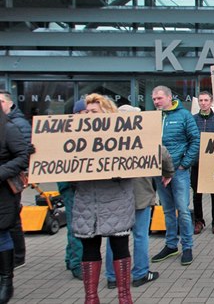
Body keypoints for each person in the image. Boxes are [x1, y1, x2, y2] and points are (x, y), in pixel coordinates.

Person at [104, 105, 175, 289]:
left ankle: (113, 277)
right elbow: (164, 155)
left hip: (113, 197)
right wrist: (168, 173)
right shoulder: (145, 138)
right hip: (140, 195)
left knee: (114, 236)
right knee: (140, 236)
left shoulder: (107, 141)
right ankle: (140, 274)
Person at [73, 93, 135, 304]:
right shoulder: (73, 137)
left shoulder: (123, 134)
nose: (88, 115)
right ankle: (91, 298)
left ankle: (124, 296)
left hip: (116, 200)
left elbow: (146, 156)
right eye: (86, 112)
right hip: (87, 203)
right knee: (89, 249)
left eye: (93, 111)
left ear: (107, 113)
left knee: (120, 247)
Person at [151, 86, 199, 266]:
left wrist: (183, 164)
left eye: (159, 98)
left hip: (179, 172)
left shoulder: (184, 116)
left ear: (170, 97)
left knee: (183, 210)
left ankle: (187, 247)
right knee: (167, 211)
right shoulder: (153, 118)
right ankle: (171, 245)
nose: (156, 101)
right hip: (159, 172)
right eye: (154, 99)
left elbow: (195, 140)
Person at [0, 107, 29, 304]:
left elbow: (23, 156)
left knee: (1, 233)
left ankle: (6, 281)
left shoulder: (8, 129)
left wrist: (1, 171)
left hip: (2, 192)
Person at [57, 99, 87, 280]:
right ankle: (77, 264)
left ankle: (70, 258)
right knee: (77, 225)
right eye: (85, 112)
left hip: (78, 185)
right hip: (71, 185)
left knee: (74, 223)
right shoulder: (67, 131)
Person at [191, 91, 214, 235]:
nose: (203, 103)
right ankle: (199, 221)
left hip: (213, 164)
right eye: (201, 100)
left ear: (211, 102)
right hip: (196, 163)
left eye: (206, 100)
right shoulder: (192, 119)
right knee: (197, 194)